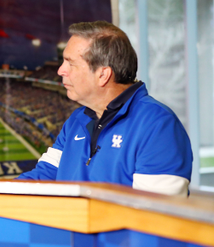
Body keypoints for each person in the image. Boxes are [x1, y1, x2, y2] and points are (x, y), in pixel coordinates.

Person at [17, 21, 192, 196]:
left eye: (70, 63)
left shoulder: (158, 126)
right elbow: (42, 177)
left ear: (103, 75)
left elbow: (154, 215)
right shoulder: (77, 120)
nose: (61, 71)